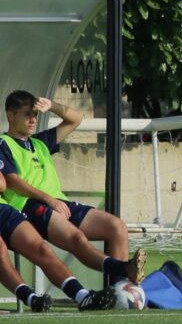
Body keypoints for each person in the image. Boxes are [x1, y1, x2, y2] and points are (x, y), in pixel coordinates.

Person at [0, 91, 146, 287]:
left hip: (59, 202)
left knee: (116, 227)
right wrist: (49, 200)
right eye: (27, 114)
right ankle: (122, 269)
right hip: (32, 205)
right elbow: (12, 181)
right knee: (76, 237)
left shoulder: (40, 142)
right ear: (10, 115)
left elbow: (75, 119)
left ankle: (121, 291)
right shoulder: (4, 143)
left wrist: (51, 106)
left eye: (35, 115)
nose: (33, 120)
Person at [0, 172, 115, 311]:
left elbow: (2, 184)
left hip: (3, 208)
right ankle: (30, 298)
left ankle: (82, 296)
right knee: (1, 249)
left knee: (41, 248)